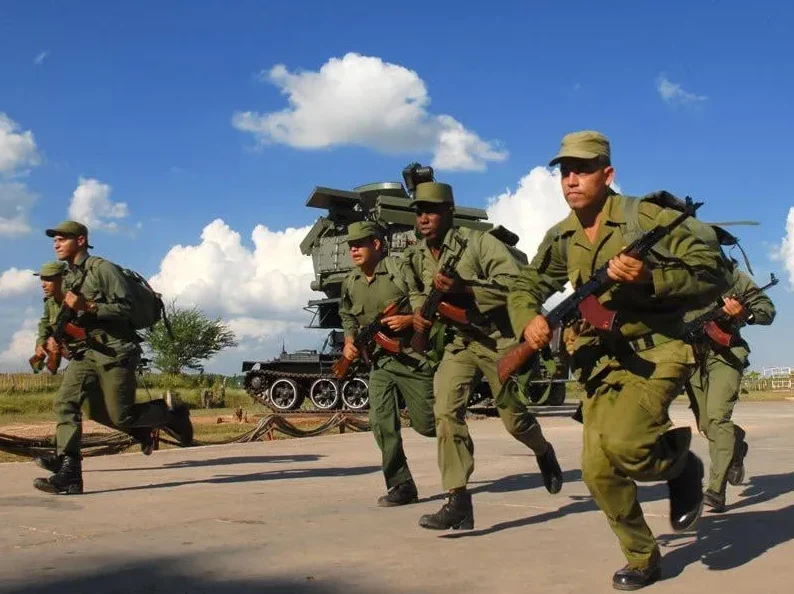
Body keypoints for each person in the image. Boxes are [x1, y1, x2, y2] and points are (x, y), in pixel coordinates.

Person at [507, 131, 731, 590]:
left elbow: (714, 272)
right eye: (564, 171)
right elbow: (527, 284)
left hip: (657, 351)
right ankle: (643, 557)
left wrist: (652, 276)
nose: (571, 180)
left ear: (607, 174)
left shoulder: (644, 217)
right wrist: (529, 318)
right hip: (600, 363)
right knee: (597, 472)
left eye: (582, 169)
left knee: (628, 445)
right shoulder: (563, 236)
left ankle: (681, 466)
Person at [405, 182, 563, 531]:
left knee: (514, 421)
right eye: (419, 212)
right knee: (445, 412)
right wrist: (419, 312)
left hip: (498, 340)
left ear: (449, 212)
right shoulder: (417, 255)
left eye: (431, 211)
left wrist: (465, 287)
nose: (423, 218)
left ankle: (542, 449)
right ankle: (458, 500)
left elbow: (515, 286)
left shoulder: (478, 243)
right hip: (460, 343)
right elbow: (414, 286)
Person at [32, 221, 193, 495]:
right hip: (86, 353)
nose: (56, 243)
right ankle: (69, 471)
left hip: (116, 350)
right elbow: (65, 315)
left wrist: (89, 306)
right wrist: (53, 338)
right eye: (55, 239)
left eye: (63, 238)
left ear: (81, 240)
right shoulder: (70, 277)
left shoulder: (103, 269)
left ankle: (171, 415)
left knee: (121, 415)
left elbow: (126, 308)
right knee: (66, 402)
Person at [338, 221, 436, 506]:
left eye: (360, 244)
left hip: (411, 358)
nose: (353, 250)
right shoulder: (351, 282)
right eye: (350, 246)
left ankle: (457, 440)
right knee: (381, 422)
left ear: (376, 244)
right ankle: (401, 484)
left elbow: (426, 302)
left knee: (427, 424)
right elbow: (347, 314)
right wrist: (349, 340)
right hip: (380, 362)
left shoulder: (398, 269)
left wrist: (409, 319)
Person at [688, 268, 776, 512]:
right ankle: (735, 444)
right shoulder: (674, 274)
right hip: (692, 359)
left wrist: (744, 314)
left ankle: (716, 490)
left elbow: (767, 310)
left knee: (718, 418)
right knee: (707, 426)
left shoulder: (729, 276)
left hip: (725, 355)